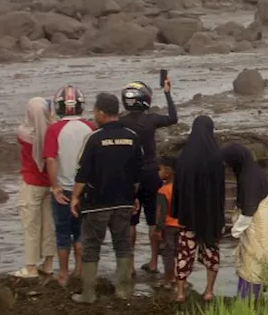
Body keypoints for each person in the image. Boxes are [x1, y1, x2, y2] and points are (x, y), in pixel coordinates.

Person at [70, 92, 144, 303]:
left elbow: (82, 173)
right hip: (123, 200)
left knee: (91, 246)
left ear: (101, 113)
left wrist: (75, 197)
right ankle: (123, 291)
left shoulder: (93, 138)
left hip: (96, 203)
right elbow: (137, 172)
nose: (94, 115)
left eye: (95, 112)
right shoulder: (132, 137)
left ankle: (88, 293)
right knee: (122, 244)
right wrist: (134, 196)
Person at [120, 78, 178, 275]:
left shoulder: (121, 122)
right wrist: (168, 93)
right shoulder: (151, 119)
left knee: (131, 221)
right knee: (154, 221)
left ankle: (130, 265)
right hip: (152, 174)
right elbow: (173, 118)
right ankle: (154, 262)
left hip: (130, 175)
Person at [172, 116, 226, 303]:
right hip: (210, 216)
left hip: (188, 215)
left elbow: (177, 187)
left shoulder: (184, 157)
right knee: (211, 252)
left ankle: (180, 292)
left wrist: (177, 211)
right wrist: (220, 215)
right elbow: (220, 191)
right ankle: (209, 291)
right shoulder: (216, 157)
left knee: (184, 252)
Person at [44, 85, 94, 287]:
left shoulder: (54, 129)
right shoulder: (90, 127)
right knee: (82, 232)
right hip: (84, 190)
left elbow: (50, 159)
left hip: (63, 190)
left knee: (63, 233)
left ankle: (63, 273)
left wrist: (54, 187)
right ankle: (80, 269)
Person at [221, 142, 268, 300]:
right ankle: (252, 296)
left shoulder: (247, 179)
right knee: (254, 257)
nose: (228, 167)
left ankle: (248, 299)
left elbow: (249, 209)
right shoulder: (255, 170)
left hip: (257, 222)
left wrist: (235, 231)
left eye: (228, 164)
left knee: (253, 258)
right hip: (263, 217)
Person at [14, 97, 56, 279]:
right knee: (48, 225)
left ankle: (30, 267)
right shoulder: (53, 131)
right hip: (50, 183)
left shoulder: (23, 134)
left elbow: (27, 130)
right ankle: (48, 264)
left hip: (31, 183)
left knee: (31, 225)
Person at [152, 158, 180, 290]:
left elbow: (161, 212)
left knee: (167, 253)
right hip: (181, 225)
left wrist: (158, 229)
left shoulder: (163, 191)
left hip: (168, 226)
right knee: (178, 252)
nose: (158, 172)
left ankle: (168, 279)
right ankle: (177, 277)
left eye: (160, 169)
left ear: (168, 172)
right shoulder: (182, 188)